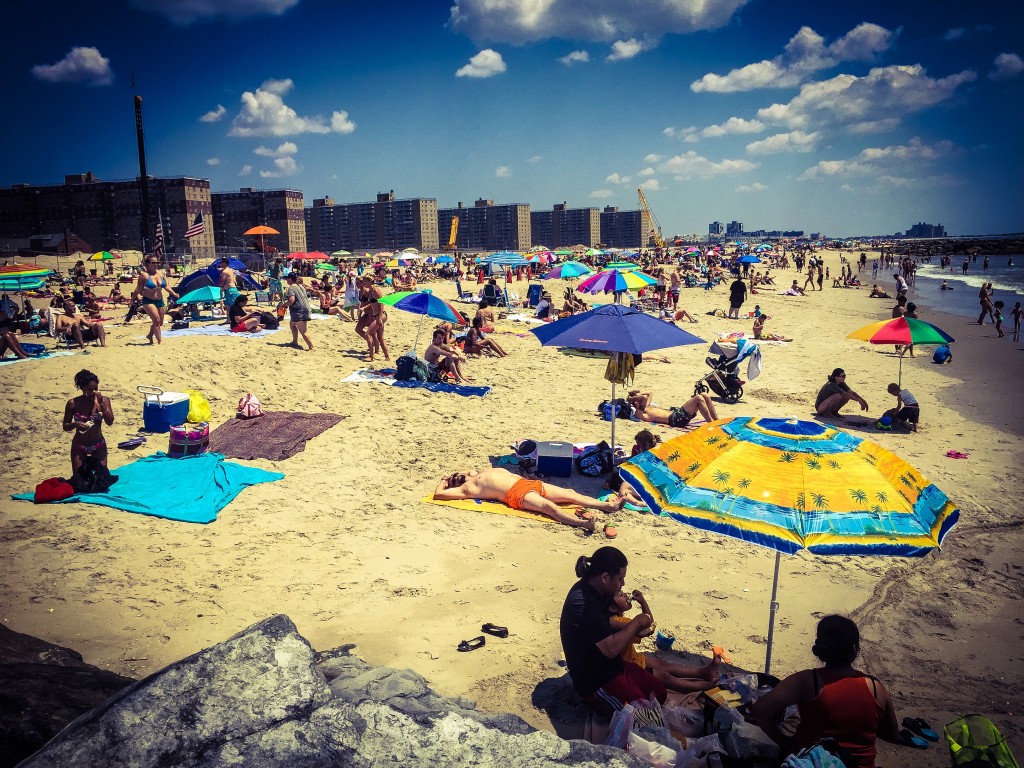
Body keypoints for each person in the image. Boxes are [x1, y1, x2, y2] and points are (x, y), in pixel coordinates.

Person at [753, 615, 902, 768]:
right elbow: (892, 736)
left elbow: (760, 710)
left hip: (812, 762)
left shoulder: (807, 680)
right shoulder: (876, 687)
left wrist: (785, 742)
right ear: (855, 649)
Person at [559, 547, 665, 714]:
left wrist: (629, 626)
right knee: (643, 715)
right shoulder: (583, 603)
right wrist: (635, 623)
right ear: (605, 577)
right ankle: (592, 701)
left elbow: (606, 622)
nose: (622, 584)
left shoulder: (597, 589)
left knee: (659, 694)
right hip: (596, 680)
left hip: (613, 666)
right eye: (620, 579)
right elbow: (610, 649)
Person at [433, 468, 622, 530]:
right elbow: (438, 495)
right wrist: (444, 482)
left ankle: (607, 506)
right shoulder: (467, 489)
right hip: (516, 494)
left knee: (571, 494)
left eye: (455, 475)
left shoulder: (475, 473)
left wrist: (459, 473)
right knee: (549, 507)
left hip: (527, 483)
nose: (456, 477)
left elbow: (465, 470)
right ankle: (583, 523)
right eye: (454, 480)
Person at [608, 589, 720, 693]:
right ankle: (702, 687)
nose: (626, 595)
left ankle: (703, 672)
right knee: (664, 676)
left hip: (632, 658)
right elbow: (649, 628)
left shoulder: (615, 619)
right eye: (621, 595)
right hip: (629, 666)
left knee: (663, 664)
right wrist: (643, 603)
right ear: (612, 608)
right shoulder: (620, 622)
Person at [63, 369, 115, 476]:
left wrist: (102, 404)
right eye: (89, 389)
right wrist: (75, 424)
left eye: (95, 388)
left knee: (102, 479)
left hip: (98, 444)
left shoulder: (103, 400)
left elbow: (110, 421)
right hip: (79, 446)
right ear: (82, 388)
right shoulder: (73, 403)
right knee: (80, 481)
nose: (93, 392)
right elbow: (66, 426)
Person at [133, 255, 178, 344]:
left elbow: (166, 286)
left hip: (160, 300)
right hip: (148, 301)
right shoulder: (144, 276)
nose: (155, 264)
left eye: (157, 262)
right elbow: (138, 289)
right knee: (156, 320)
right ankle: (159, 341)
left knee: (160, 322)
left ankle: (150, 335)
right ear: (147, 264)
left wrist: (174, 293)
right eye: (153, 263)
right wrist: (132, 299)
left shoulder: (161, 273)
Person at [626, 390, 719, 429]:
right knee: (698, 398)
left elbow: (650, 393)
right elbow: (644, 398)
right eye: (637, 398)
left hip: (677, 415)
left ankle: (717, 421)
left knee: (704, 395)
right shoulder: (639, 413)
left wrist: (637, 395)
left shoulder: (646, 406)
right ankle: (712, 424)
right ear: (635, 402)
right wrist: (632, 399)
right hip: (675, 419)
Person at [284, 272, 314, 350]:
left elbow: (291, 300)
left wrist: (284, 305)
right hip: (305, 309)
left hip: (299, 311)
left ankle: (311, 347)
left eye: (287, 278)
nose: (286, 280)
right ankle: (294, 341)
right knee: (292, 324)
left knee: (303, 331)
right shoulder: (300, 286)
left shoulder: (291, 288)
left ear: (290, 279)